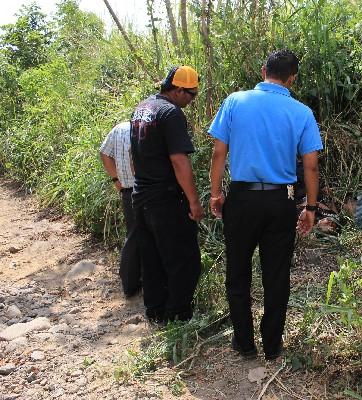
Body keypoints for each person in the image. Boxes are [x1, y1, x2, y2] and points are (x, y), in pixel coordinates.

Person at [208, 49, 323, 360]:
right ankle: (272, 345)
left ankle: (244, 343)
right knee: (276, 274)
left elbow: (219, 153)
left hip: (242, 199)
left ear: (263, 71)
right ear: (292, 79)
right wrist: (310, 208)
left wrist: (216, 193)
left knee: (237, 272)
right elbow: (310, 166)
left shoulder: (235, 101)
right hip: (279, 201)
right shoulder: (301, 112)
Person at [130, 65, 204, 323]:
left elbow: (133, 154)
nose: (191, 101)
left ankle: (156, 312)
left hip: (141, 196)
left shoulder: (142, 108)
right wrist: (194, 201)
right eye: (191, 95)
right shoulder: (171, 113)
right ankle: (178, 316)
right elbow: (179, 161)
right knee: (184, 260)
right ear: (179, 90)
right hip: (166, 199)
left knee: (151, 258)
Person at [99, 121, 142, 297]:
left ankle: (130, 284)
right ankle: (135, 284)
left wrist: (115, 179)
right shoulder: (148, 129)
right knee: (142, 236)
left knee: (133, 235)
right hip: (145, 191)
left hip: (128, 191)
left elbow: (104, 153)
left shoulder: (120, 128)